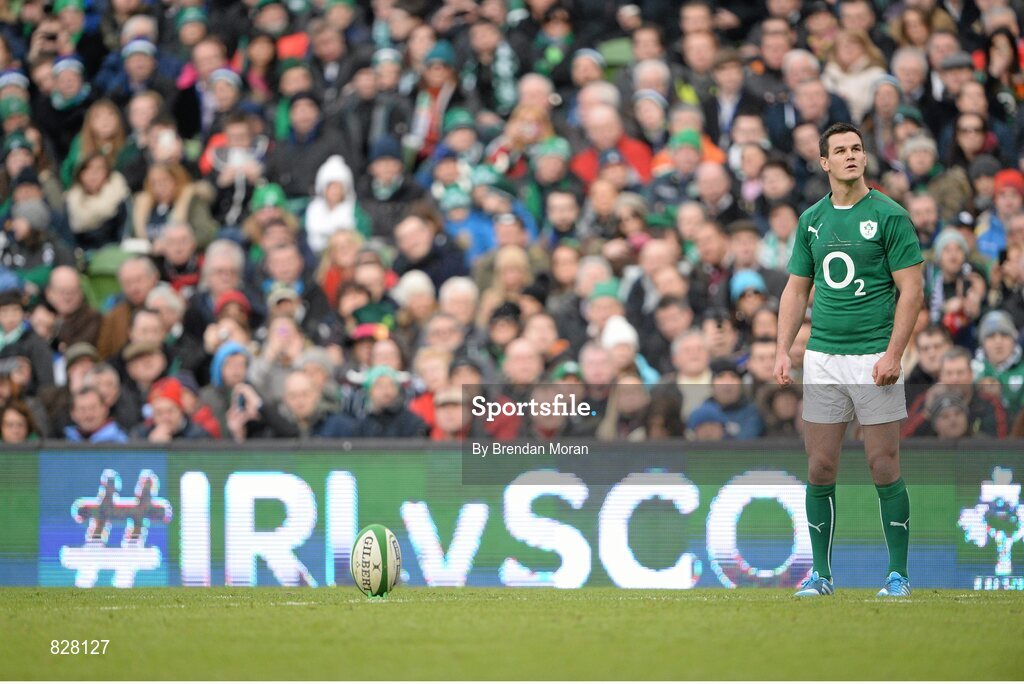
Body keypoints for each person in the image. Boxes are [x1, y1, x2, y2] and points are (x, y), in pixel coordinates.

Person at [774, 123, 924, 598]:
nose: (851, 155)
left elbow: (912, 289)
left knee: (883, 464)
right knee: (820, 467)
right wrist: (783, 347)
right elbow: (797, 289)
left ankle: (897, 575)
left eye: (857, 148)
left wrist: (894, 353)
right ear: (824, 163)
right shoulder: (812, 219)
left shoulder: (890, 215)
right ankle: (821, 576)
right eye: (840, 150)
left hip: (873, 355)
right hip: (822, 358)